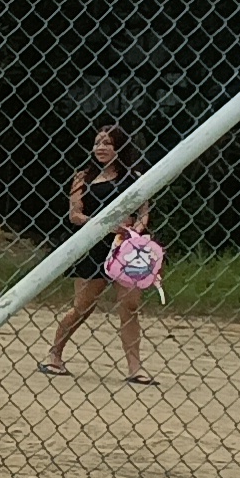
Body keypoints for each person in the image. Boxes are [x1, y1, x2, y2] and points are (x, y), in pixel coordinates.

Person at [42, 124, 152, 384]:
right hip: (93, 246)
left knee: (129, 306)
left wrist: (134, 231)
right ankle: (54, 354)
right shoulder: (83, 177)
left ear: (119, 148)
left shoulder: (135, 177)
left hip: (127, 248)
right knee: (83, 306)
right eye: (98, 142)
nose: (101, 147)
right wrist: (104, 225)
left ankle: (135, 368)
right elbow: (75, 215)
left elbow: (144, 212)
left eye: (108, 143)